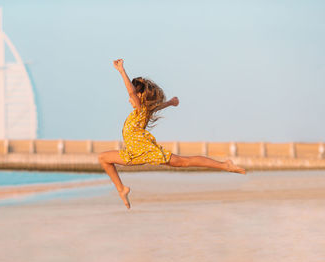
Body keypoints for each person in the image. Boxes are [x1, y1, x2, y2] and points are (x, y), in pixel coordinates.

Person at [98, 59, 246, 209]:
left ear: (140, 96)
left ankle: (225, 165)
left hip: (143, 151)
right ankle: (122, 189)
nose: (130, 98)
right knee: (104, 158)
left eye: (134, 96)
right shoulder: (143, 111)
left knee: (183, 162)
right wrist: (170, 103)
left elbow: (131, 91)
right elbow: (154, 107)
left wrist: (121, 71)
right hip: (133, 152)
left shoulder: (140, 109)